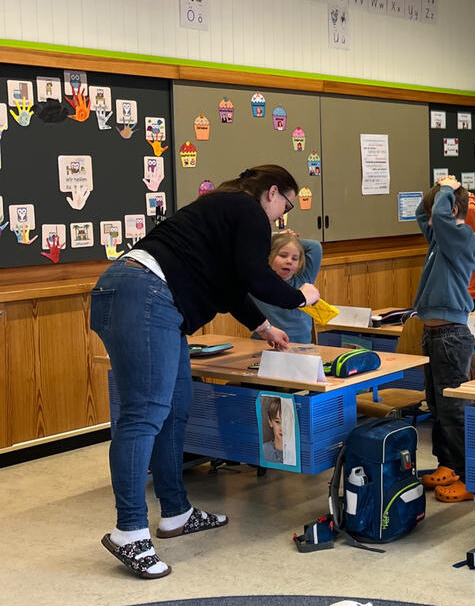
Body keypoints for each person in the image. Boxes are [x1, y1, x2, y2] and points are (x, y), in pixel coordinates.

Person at [89, 165, 320, 580]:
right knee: (143, 416)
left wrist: (264, 327)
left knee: (176, 406)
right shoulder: (247, 209)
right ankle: (129, 531)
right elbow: (256, 277)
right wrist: (299, 297)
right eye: (285, 207)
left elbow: (232, 286)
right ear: (272, 192)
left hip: (145, 297)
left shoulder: (223, 209)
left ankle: (176, 512)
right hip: (145, 295)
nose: (280, 218)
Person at [414, 176, 475, 504]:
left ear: (451, 210)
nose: (429, 221)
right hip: (433, 335)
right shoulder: (440, 241)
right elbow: (422, 216)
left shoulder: (463, 238)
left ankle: (469, 476)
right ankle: (448, 465)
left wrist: (445, 191)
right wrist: (439, 189)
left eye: (436, 213)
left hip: (451, 336)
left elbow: (439, 219)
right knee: (437, 405)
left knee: (454, 410)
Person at [251, 229, 322, 344]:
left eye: (295, 258)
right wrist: (276, 236)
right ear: (269, 256)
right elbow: (247, 242)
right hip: (264, 344)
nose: (289, 261)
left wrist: (290, 239)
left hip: (301, 347)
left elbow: (315, 247)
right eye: (283, 255)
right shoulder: (258, 282)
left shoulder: (304, 279)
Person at [262, 396, 284, 464]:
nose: (282, 428)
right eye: (277, 422)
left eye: (286, 423)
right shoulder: (263, 450)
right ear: (270, 422)